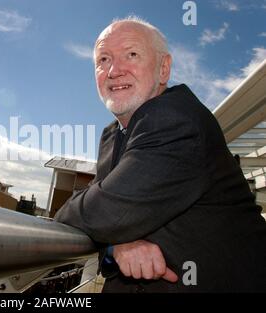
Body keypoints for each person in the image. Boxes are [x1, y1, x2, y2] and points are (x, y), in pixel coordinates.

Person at [54, 16, 266, 292]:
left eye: (131, 54)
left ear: (163, 69)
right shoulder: (112, 134)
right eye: (103, 60)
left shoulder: (173, 118)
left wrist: (108, 229)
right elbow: (103, 213)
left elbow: (102, 212)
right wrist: (115, 244)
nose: (114, 70)